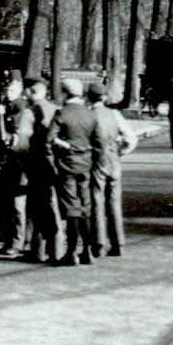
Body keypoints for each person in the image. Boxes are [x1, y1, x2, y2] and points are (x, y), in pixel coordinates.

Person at [49, 78, 108, 266]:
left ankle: (71, 252)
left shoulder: (62, 113)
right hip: (86, 165)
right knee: (85, 207)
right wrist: (96, 164)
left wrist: (61, 146)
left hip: (66, 165)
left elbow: (49, 138)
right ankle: (87, 251)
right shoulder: (91, 115)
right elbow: (100, 144)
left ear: (65, 94)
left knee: (71, 208)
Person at [86, 82, 138, 258]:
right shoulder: (114, 114)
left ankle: (98, 243)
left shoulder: (89, 115)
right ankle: (118, 243)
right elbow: (131, 138)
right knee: (114, 202)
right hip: (113, 159)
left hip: (97, 160)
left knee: (96, 200)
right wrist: (121, 152)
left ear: (88, 97)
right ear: (105, 97)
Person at [21, 77, 64, 263]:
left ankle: (37, 250)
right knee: (53, 206)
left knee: (36, 208)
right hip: (56, 164)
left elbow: (22, 143)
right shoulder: (56, 109)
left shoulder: (29, 112)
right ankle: (57, 250)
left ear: (31, 92)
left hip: (36, 164)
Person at [0, 73, 32, 255]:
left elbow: (6, 137)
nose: (8, 93)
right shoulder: (5, 106)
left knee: (17, 205)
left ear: (20, 90)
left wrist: (0, 118)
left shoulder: (20, 109)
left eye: (12, 90)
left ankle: (17, 241)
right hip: (5, 161)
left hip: (18, 161)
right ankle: (9, 238)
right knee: (4, 203)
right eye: (7, 89)